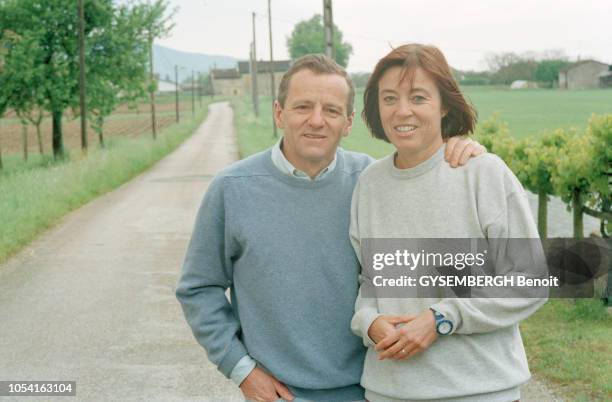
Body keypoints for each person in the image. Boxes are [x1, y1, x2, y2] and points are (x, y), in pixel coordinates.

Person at [175, 54, 485, 402]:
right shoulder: (232, 189)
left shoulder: (374, 183)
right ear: (279, 113)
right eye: (303, 107)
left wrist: (455, 150)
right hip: (277, 394)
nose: (317, 121)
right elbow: (198, 288)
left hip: (370, 389)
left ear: (348, 122)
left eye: (332, 110)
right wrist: (241, 370)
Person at [350, 44, 547, 402]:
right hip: (388, 392)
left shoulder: (483, 173)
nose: (402, 110)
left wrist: (443, 317)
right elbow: (370, 280)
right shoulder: (369, 184)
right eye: (389, 98)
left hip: (480, 392)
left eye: (418, 97)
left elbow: (530, 281)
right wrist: (369, 322)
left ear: (444, 106)